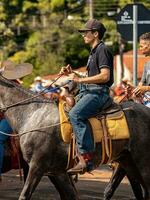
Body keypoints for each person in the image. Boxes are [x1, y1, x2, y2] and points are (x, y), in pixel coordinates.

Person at [61, 19, 114, 174]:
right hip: (89, 91)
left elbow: (104, 76)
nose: (83, 35)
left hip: (98, 93)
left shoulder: (102, 49)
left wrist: (79, 80)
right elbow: (91, 76)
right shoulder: (93, 51)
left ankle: (86, 158)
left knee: (75, 114)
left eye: (86, 32)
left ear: (95, 34)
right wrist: (73, 74)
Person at [0, 60, 33, 181]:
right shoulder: (8, 84)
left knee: (0, 137)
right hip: (5, 116)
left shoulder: (14, 86)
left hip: (11, 118)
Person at [133, 32, 150, 107]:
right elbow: (141, 85)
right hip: (145, 102)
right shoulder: (146, 65)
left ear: (149, 46)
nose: (140, 49)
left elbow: (144, 88)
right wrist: (134, 89)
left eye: (141, 46)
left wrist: (146, 88)